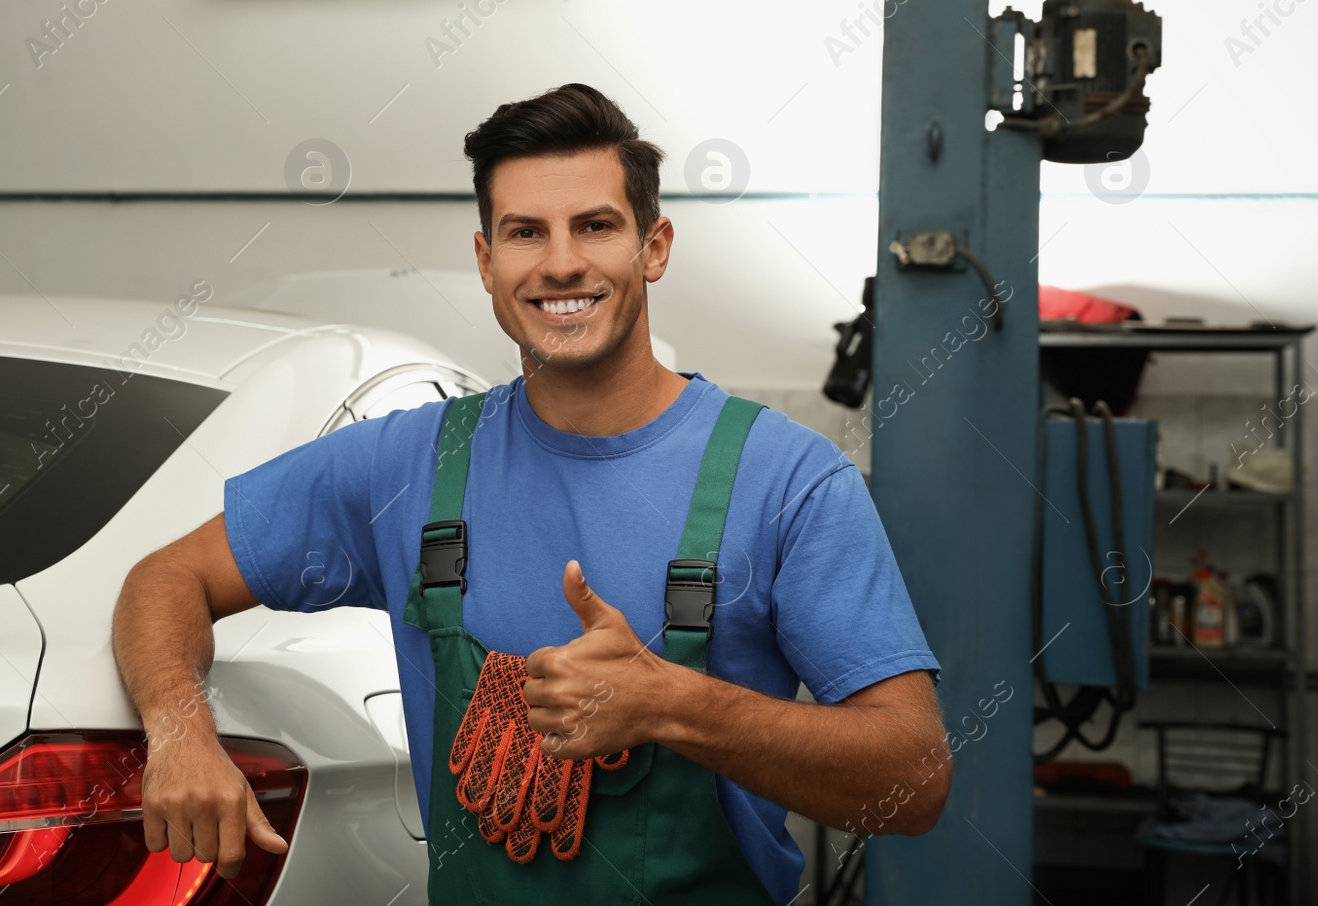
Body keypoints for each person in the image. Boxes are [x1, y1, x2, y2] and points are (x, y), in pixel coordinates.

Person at [112, 82, 950, 902]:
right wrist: (180, 734)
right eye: (525, 232)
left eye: (595, 226)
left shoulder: (788, 481)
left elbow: (914, 780)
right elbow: (165, 581)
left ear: (653, 246)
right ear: (486, 261)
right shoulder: (406, 464)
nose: (560, 263)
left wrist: (673, 703)